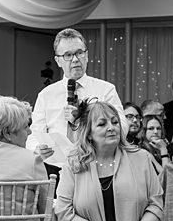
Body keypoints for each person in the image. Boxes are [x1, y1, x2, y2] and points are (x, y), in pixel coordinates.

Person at [27, 28, 124, 174]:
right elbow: (34, 133)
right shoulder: (46, 95)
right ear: (58, 61)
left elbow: (122, 126)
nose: (75, 59)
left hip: (98, 166)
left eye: (79, 53)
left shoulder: (106, 90)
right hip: (58, 169)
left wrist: (82, 121)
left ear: (87, 55)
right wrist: (37, 148)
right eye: (68, 55)